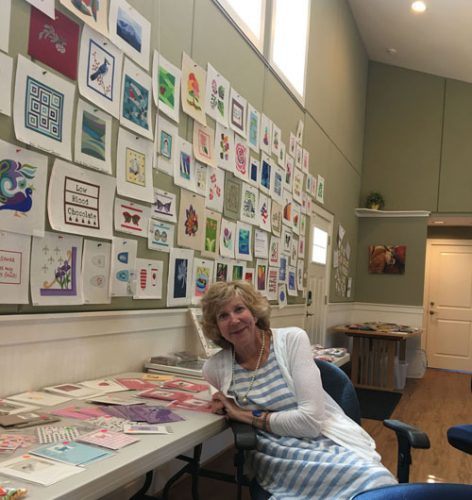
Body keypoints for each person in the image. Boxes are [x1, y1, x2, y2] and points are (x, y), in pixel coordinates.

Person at [201, 281, 397, 500]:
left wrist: (242, 414)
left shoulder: (292, 339)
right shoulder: (215, 368)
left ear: (254, 313)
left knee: (376, 483)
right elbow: (215, 402)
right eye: (223, 316)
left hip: (322, 440)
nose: (234, 320)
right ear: (216, 327)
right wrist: (222, 406)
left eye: (239, 309)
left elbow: (310, 422)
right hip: (275, 453)